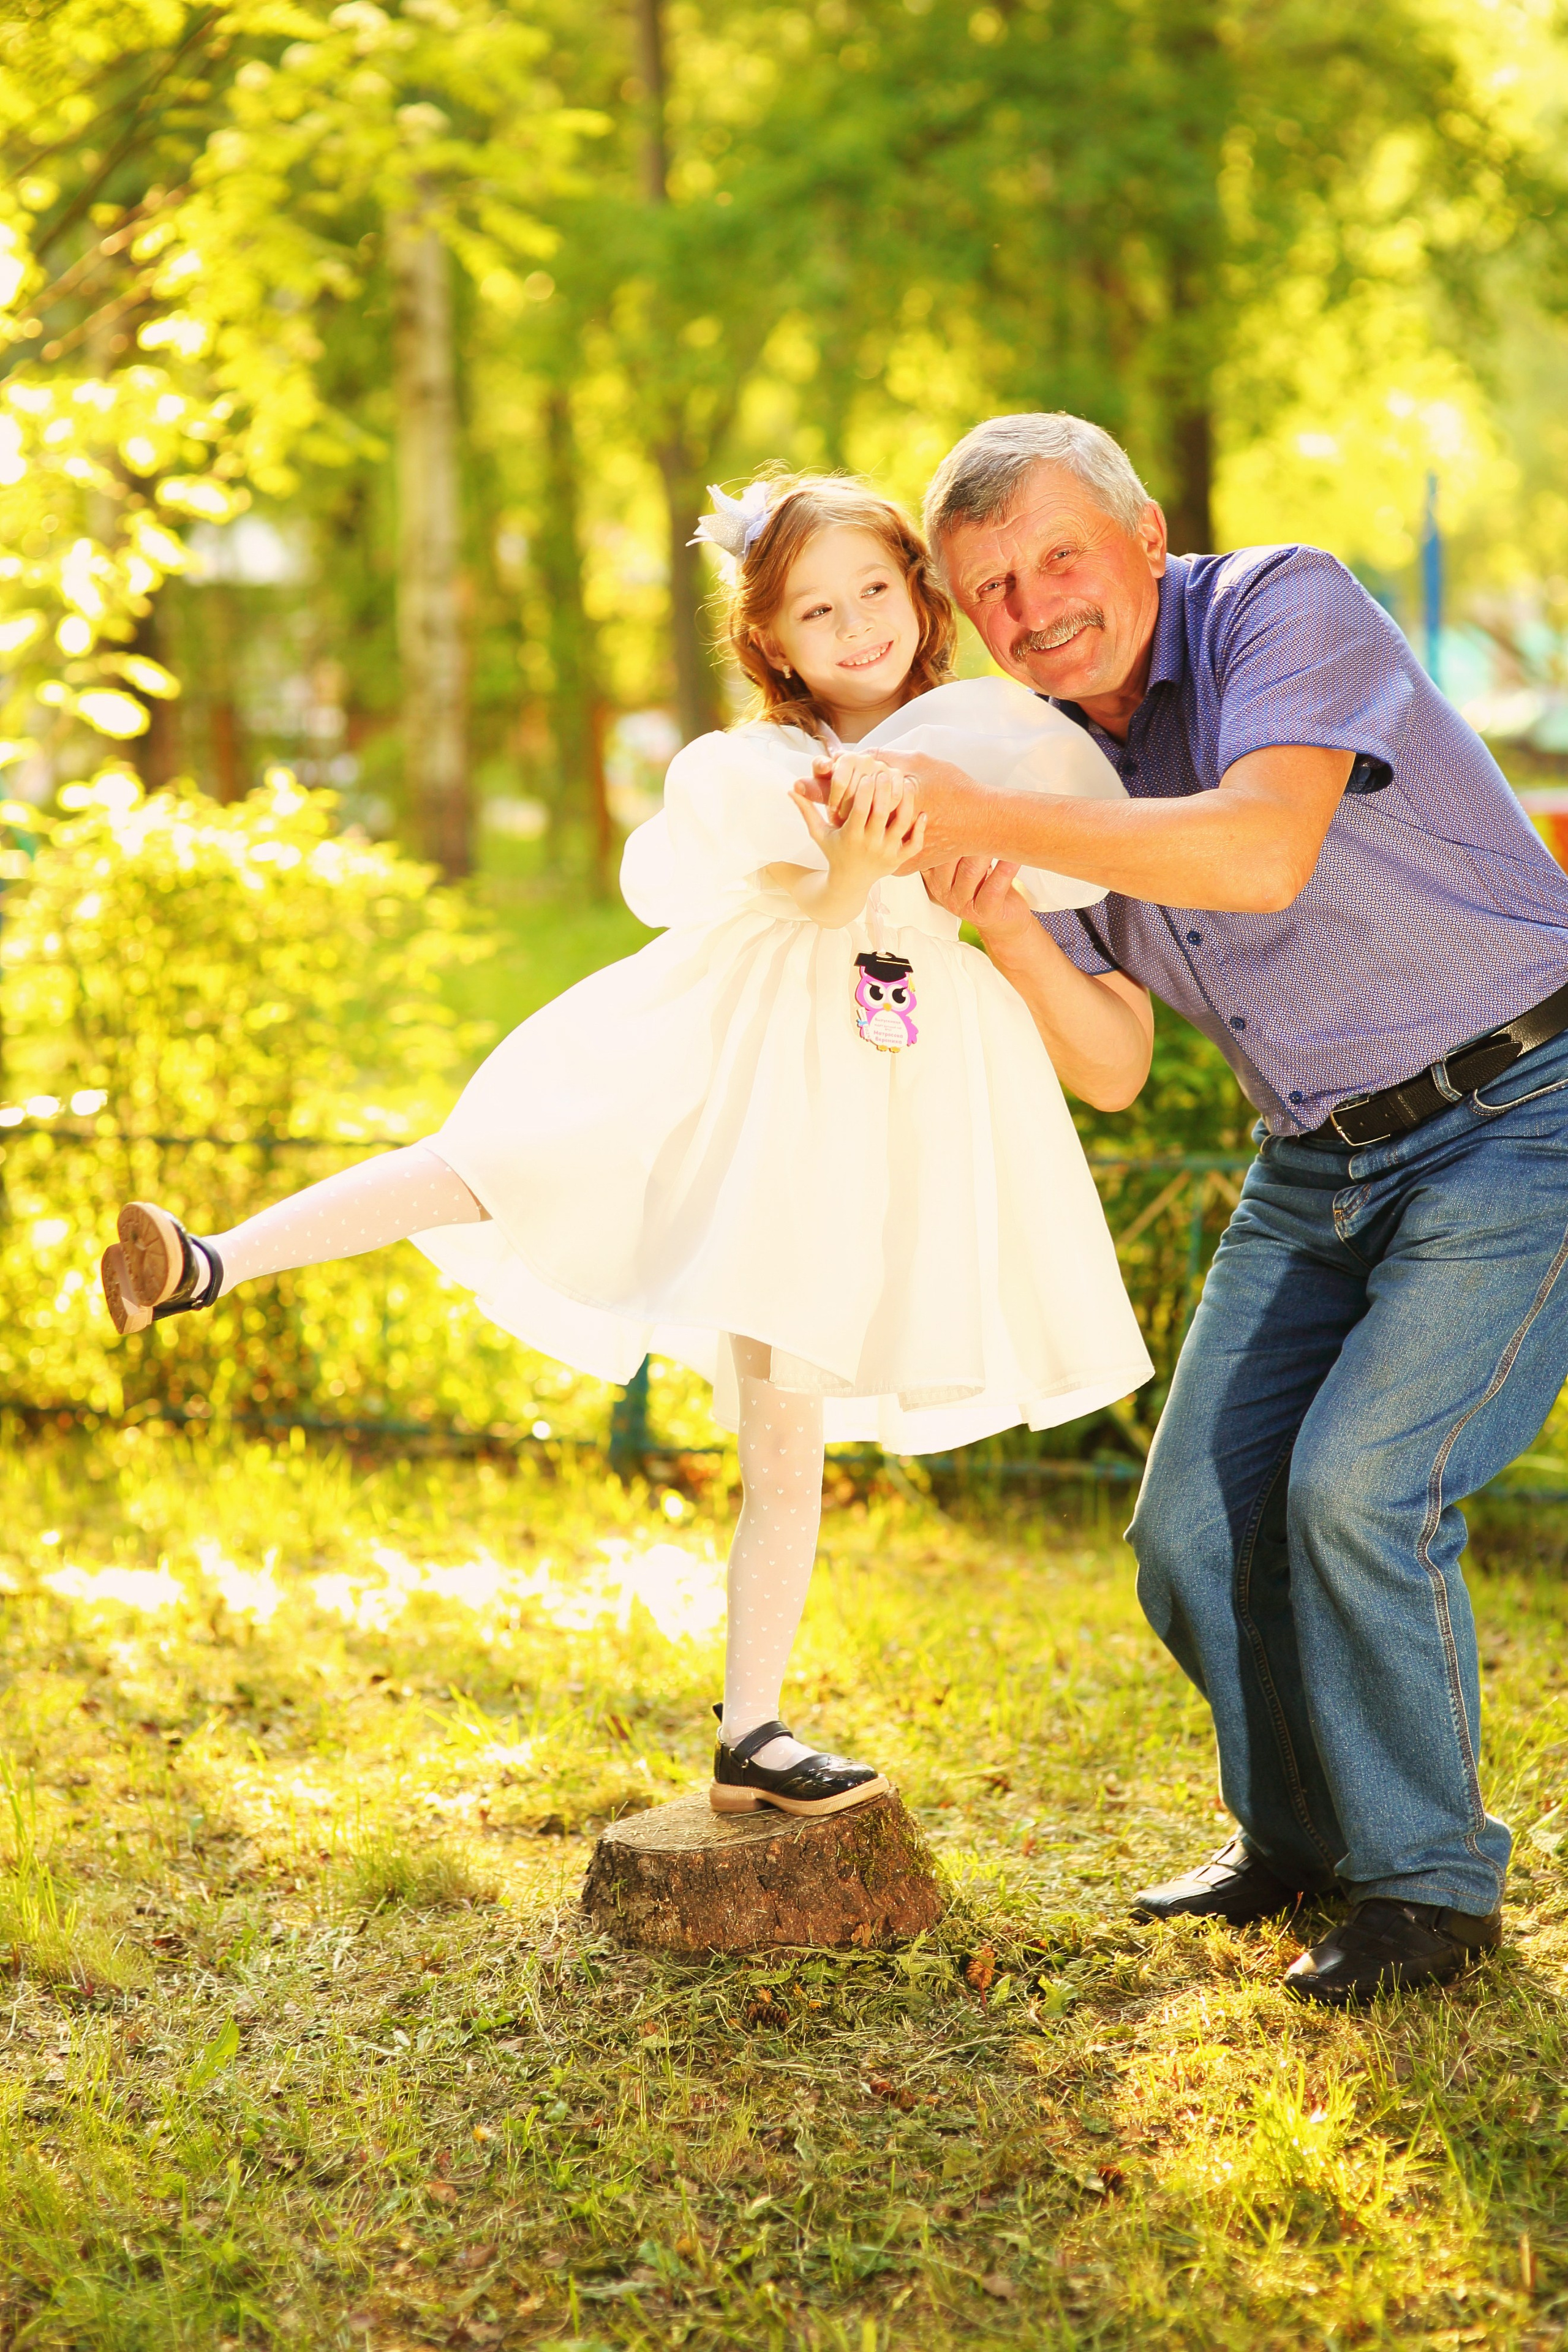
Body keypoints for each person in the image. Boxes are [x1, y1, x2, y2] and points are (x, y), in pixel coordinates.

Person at [99, 471, 1152, 1822]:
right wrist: (852, 855)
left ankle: (752, 1730)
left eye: (874, 593)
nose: (852, 629)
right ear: (770, 642)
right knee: (500, 1159)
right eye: (815, 612)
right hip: (728, 1058)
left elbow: (1055, 871)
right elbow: (812, 901)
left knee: (787, 1434)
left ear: (918, 594)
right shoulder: (762, 767)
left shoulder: (993, 742)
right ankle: (207, 1261)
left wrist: (974, 875)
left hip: (861, 1099)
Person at [878, 407, 1568, 2004]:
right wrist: (1006, 920)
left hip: (1524, 1115)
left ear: (1146, 534)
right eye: (991, 588)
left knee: (1357, 1493)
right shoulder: (1050, 760)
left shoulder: (1283, 605)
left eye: (1060, 554)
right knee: (1192, 1523)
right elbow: (1114, 1063)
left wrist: (984, 819)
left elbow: (1259, 852)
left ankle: (1432, 1893)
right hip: (1314, 1160)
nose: (1035, 603)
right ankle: (1304, 1839)